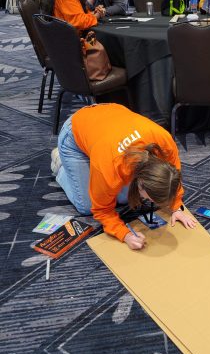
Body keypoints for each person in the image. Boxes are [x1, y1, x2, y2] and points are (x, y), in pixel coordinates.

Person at [51, 103, 197, 250]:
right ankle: (60, 162)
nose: (148, 202)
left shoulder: (165, 143)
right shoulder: (111, 166)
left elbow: (172, 180)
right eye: (148, 198)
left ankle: (87, 165)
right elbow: (102, 210)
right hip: (74, 133)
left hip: (109, 122)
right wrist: (125, 235)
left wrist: (177, 207)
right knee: (87, 206)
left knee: (122, 196)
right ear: (139, 182)